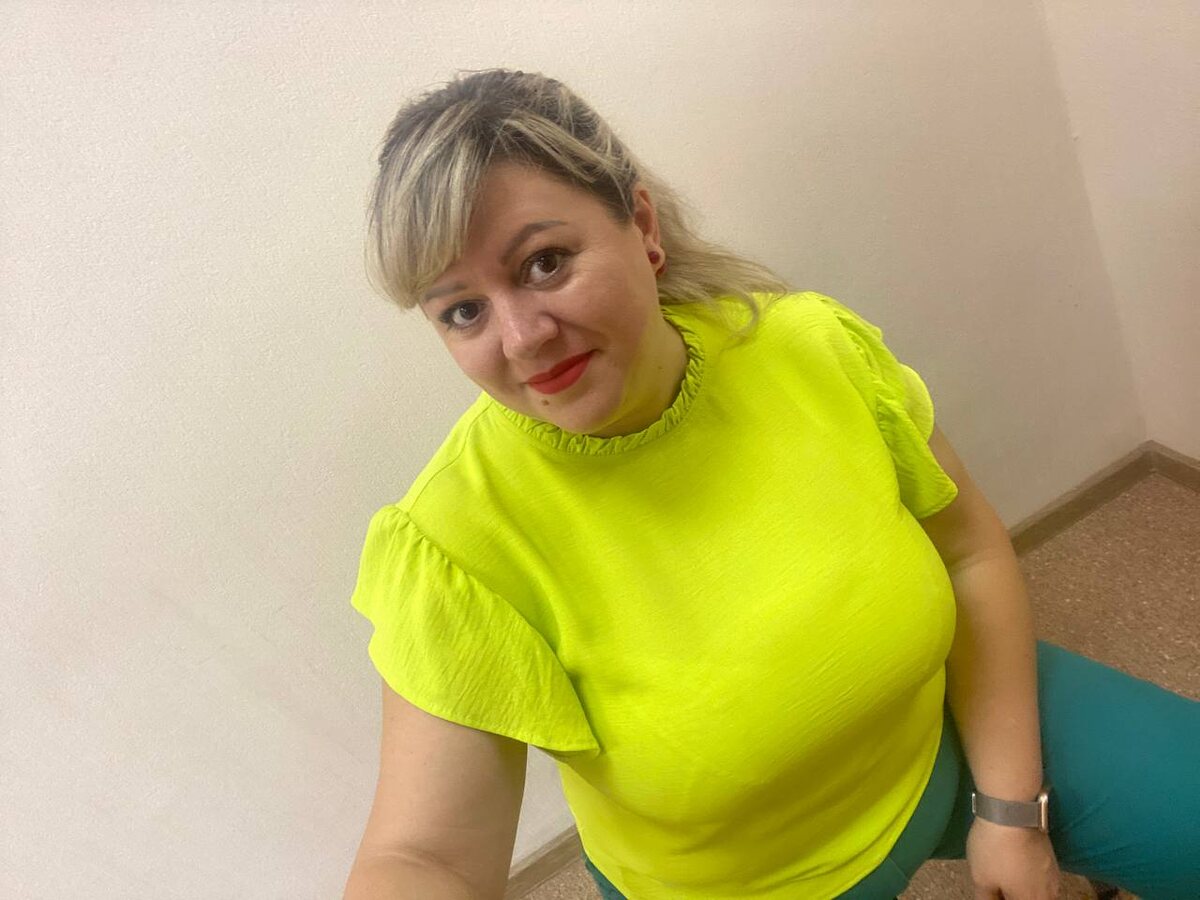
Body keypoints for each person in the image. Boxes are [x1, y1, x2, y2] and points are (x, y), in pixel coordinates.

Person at [343, 69, 1200, 900]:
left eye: (544, 263)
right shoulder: (453, 543)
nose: (522, 337)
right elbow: (425, 857)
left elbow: (968, 553)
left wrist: (1011, 814)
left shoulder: (809, 347)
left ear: (642, 225)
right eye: (463, 311)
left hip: (934, 727)